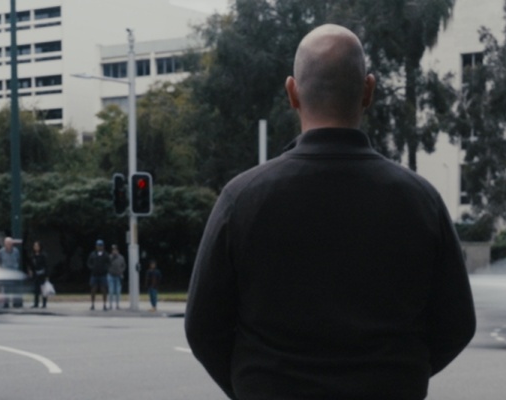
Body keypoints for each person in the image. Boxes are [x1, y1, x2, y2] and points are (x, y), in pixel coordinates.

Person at [184, 24, 475, 400]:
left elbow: (202, 327)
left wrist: (253, 386)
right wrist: (400, 377)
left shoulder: (241, 199)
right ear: (368, 90)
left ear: (292, 93)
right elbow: (457, 324)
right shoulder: (420, 200)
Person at [0, 237, 21, 308]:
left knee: (14, 288)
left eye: (10, 243)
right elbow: (0, 261)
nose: (8, 245)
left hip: (14, 272)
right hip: (5, 273)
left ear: (12, 244)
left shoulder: (16, 251)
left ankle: (15, 303)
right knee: (6, 289)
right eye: (7, 243)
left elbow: (18, 260)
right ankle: (6, 303)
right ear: (5, 244)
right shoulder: (1, 251)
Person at [26, 241, 49, 309]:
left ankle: (44, 304)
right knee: (36, 290)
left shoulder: (43, 255)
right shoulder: (32, 256)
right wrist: (30, 270)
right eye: (34, 246)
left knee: (43, 290)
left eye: (37, 246)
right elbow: (30, 265)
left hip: (42, 274)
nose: (35, 247)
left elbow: (46, 265)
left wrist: (47, 275)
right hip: (35, 275)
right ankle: (36, 303)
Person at [88, 240, 108, 311]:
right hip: (94, 274)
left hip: (103, 275)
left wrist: (105, 269)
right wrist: (92, 268)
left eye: (101, 246)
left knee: (104, 290)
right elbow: (89, 263)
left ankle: (104, 305)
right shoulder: (93, 254)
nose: (99, 247)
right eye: (98, 245)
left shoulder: (105, 254)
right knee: (93, 289)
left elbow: (108, 263)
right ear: (96, 246)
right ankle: (92, 304)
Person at [105, 243, 126, 311]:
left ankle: (117, 305)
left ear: (118, 250)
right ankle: (110, 305)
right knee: (111, 290)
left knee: (118, 291)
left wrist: (121, 271)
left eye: (115, 249)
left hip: (118, 276)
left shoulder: (121, 257)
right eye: (113, 250)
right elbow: (106, 265)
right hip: (110, 275)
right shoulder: (109, 257)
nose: (114, 251)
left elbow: (124, 266)